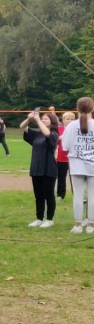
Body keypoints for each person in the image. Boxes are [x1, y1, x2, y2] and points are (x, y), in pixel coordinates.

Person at [21, 107, 59, 227]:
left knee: (49, 194)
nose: (43, 120)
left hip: (48, 169)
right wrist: (29, 118)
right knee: (38, 195)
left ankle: (49, 219)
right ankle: (39, 218)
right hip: (36, 168)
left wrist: (37, 120)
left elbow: (47, 134)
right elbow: (23, 127)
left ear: (52, 122)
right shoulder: (36, 135)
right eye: (42, 119)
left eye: (46, 119)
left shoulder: (53, 134)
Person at [61, 97, 94, 233]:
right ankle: (91, 225)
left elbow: (65, 146)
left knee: (78, 195)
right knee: (92, 195)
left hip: (76, 164)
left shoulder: (71, 126)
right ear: (92, 108)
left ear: (77, 109)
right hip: (92, 164)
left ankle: (78, 224)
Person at [56, 111, 74, 200]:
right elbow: (54, 140)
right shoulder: (59, 129)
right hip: (61, 158)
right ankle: (60, 195)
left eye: (72, 119)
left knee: (75, 178)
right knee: (61, 178)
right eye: (67, 119)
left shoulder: (77, 130)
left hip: (74, 158)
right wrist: (61, 137)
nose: (70, 121)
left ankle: (77, 196)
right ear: (63, 120)